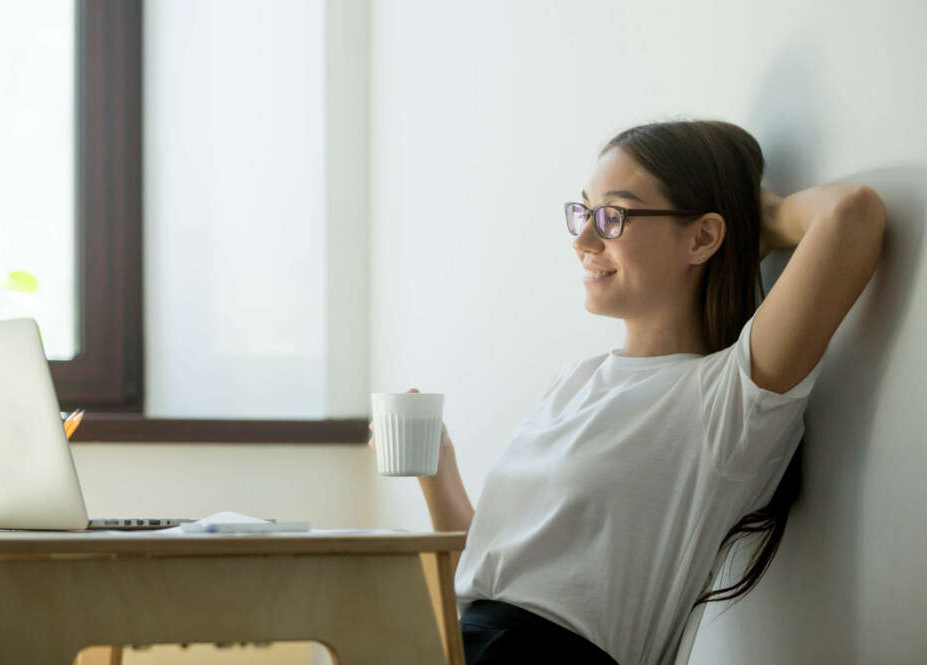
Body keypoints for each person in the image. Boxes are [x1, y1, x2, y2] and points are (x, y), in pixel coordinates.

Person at [369, 119, 886, 665]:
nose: (584, 240)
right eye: (584, 212)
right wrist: (438, 469)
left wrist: (756, 217)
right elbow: (484, 583)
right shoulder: (573, 381)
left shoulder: (726, 399)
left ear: (703, 237)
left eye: (613, 216)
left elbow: (851, 215)